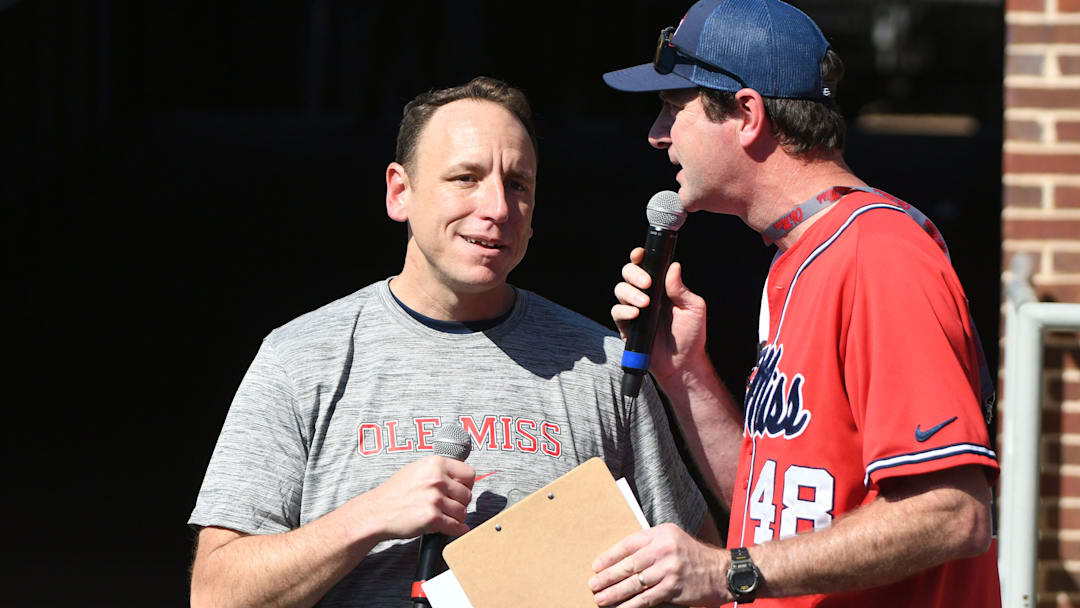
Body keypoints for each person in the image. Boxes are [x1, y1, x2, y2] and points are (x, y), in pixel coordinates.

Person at [188, 76, 713, 608]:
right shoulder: (300, 358)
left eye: (518, 184)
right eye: (465, 178)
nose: (498, 208)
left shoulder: (605, 366)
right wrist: (369, 517)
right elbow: (216, 595)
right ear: (400, 192)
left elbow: (701, 575)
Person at [586, 2, 1000, 607]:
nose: (656, 134)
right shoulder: (799, 254)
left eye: (674, 108)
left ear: (748, 114)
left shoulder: (878, 252)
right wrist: (688, 376)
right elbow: (776, 517)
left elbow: (953, 511)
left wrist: (724, 573)